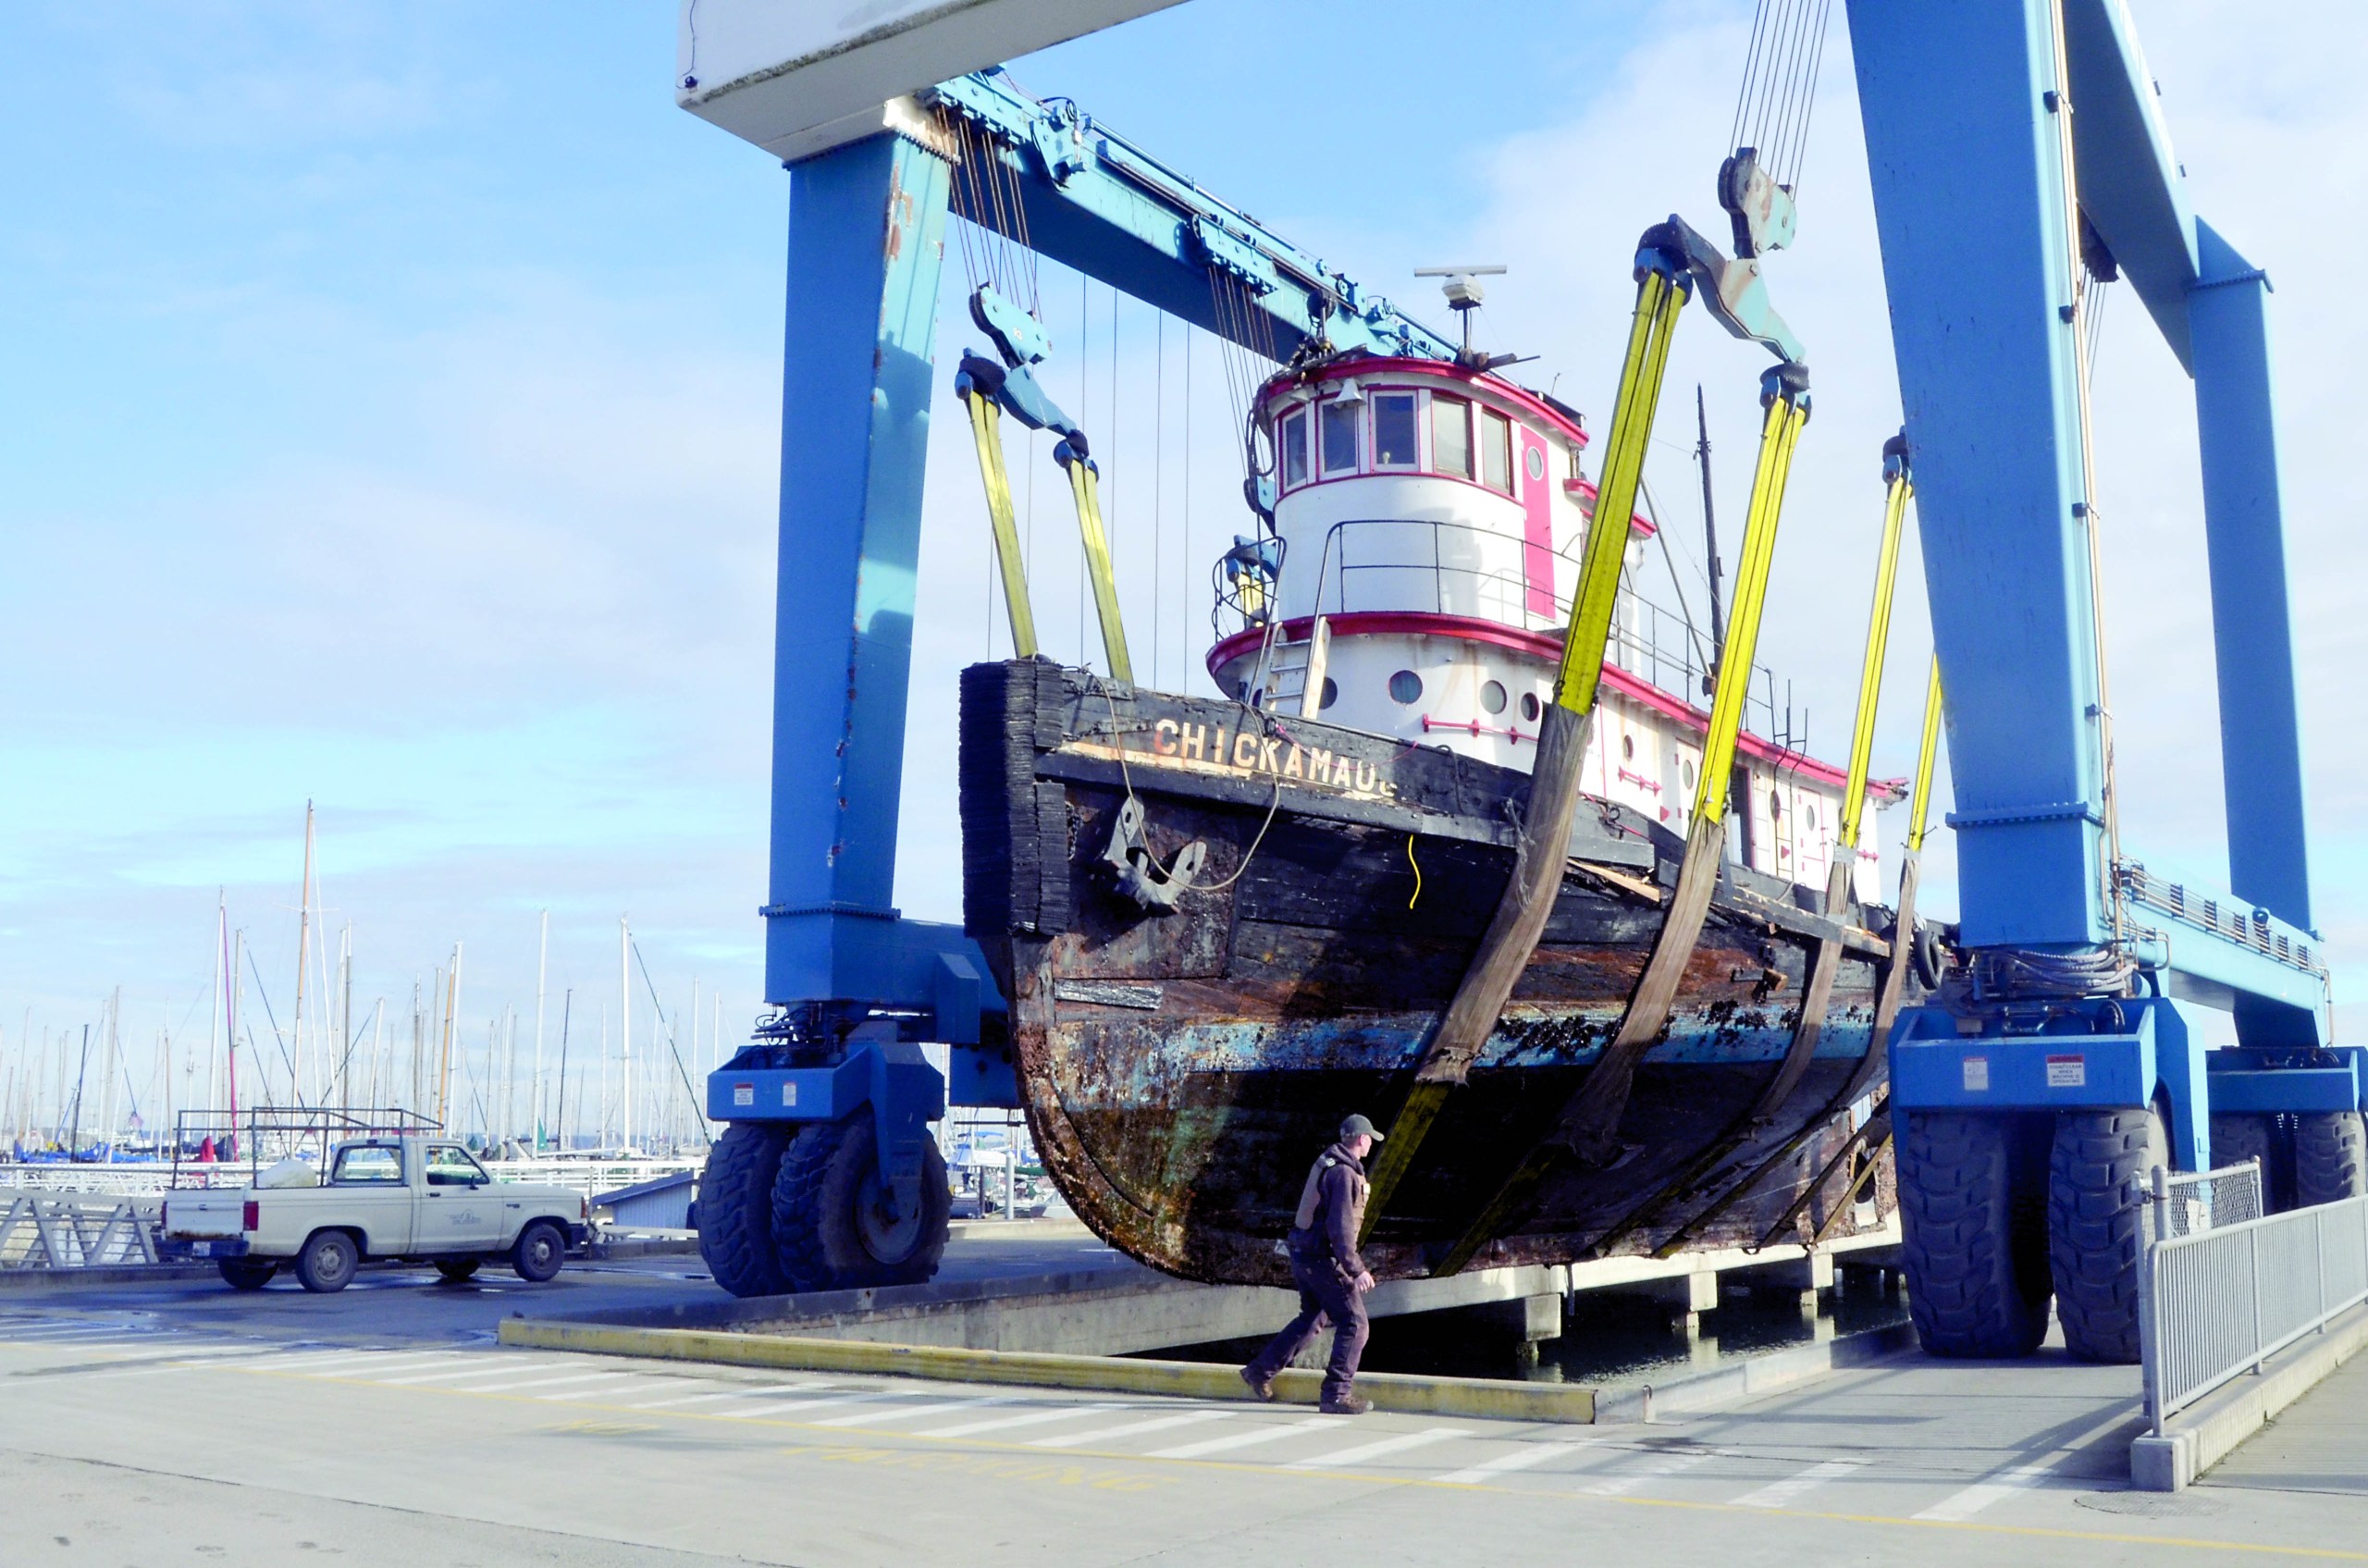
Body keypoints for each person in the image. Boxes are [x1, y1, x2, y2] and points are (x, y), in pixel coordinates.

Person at [1240, 1113, 1383, 1415]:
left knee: (1313, 1318)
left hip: (1303, 1255)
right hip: (1321, 1259)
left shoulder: (1329, 1162)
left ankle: (1259, 1372)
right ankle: (1336, 1394)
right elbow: (1341, 1228)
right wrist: (1356, 1270)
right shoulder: (1344, 1174)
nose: (1371, 1144)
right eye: (1370, 1139)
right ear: (1362, 1139)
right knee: (1355, 1324)